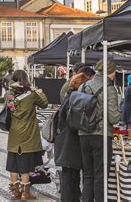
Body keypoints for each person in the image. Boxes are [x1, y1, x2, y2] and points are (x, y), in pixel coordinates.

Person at [78, 59, 120, 202]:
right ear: (111, 72)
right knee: (100, 176)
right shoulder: (109, 89)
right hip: (101, 136)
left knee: (88, 175)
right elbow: (114, 118)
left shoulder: (83, 86)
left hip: (83, 135)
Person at [6, 70, 48, 200]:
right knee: (25, 163)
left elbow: (8, 109)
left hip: (14, 133)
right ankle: (25, 193)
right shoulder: (31, 94)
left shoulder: (9, 94)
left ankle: (14, 192)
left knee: (13, 163)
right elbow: (44, 104)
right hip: (28, 132)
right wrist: (37, 91)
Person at [55, 66, 95, 202]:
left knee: (71, 177)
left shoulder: (69, 95)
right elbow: (74, 121)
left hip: (65, 141)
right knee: (70, 179)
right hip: (70, 143)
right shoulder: (75, 98)